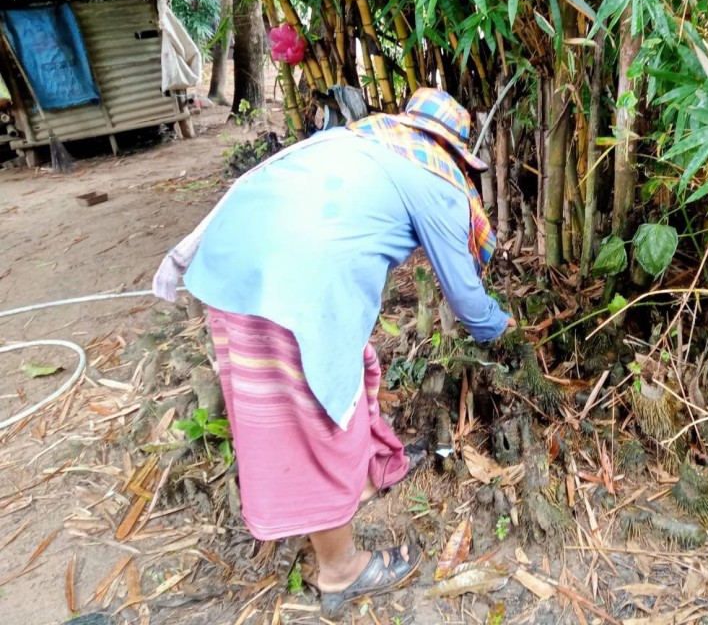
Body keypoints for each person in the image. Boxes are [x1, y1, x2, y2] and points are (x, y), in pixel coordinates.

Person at [152, 88, 512, 615]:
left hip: (230, 270)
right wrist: (500, 331)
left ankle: (364, 481)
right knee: (319, 419)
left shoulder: (360, 140)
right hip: (292, 293)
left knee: (316, 389)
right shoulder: (433, 177)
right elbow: (466, 298)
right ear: (456, 153)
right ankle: (341, 571)